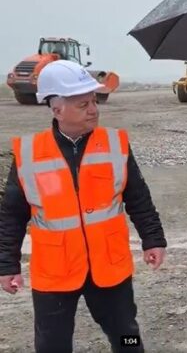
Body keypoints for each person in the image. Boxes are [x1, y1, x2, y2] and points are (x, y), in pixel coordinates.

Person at [0, 60, 167, 353]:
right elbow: (11, 215)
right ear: (57, 109)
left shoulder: (115, 144)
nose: (93, 110)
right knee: (52, 345)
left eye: (94, 101)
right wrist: (7, 265)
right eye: (83, 104)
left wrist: (153, 239)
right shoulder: (29, 153)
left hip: (109, 265)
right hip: (55, 270)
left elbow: (138, 197)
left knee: (127, 336)